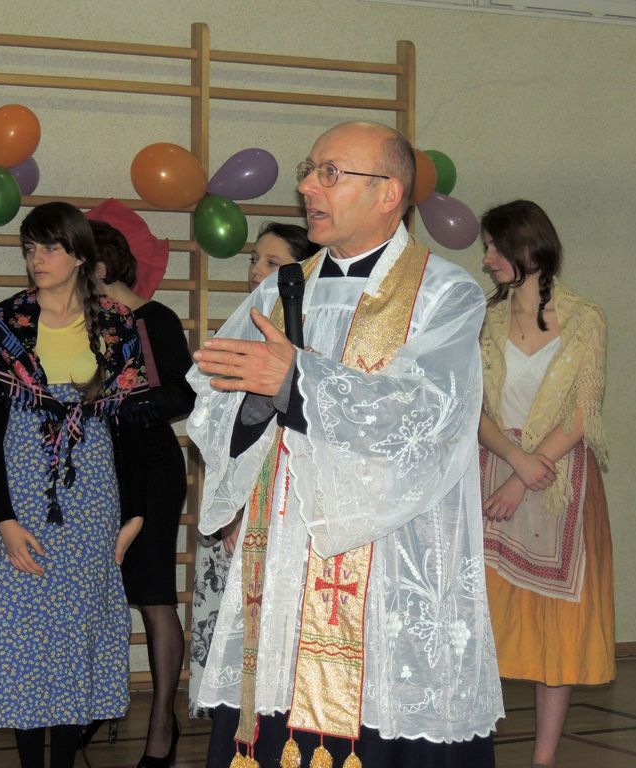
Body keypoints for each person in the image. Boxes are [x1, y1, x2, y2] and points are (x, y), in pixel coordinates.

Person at [188, 121, 502, 768]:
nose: (307, 186)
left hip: (387, 563)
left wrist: (295, 382)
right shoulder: (279, 289)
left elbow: (428, 413)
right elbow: (215, 402)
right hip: (282, 558)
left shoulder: (444, 295)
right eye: (309, 170)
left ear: (388, 193)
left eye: (329, 173)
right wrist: (254, 404)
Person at [0, 202, 147, 768]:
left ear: (80, 255)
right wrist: (5, 520)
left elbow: (133, 430)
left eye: (49, 248)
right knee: (24, 639)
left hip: (93, 501)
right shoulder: (2, 324)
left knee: (76, 637)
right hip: (24, 504)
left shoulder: (116, 324)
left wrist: (134, 513)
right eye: (29, 249)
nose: (36, 259)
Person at [477, 200, 614, 768]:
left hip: (559, 482)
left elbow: (583, 411)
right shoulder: (483, 319)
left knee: (555, 629)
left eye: (494, 247)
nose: (487, 259)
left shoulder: (585, 318)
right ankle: (473, 747)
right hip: (492, 471)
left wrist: (529, 472)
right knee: (481, 621)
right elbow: (471, 407)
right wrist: (514, 461)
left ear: (528, 249)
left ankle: (543, 759)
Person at [189, 221, 316, 718]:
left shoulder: (316, 328)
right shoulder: (246, 326)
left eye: (272, 263)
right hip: (239, 501)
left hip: (285, 502)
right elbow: (225, 432)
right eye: (254, 260)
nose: (257, 271)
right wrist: (229, 507)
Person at [90, 219, 196, 768]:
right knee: (95, 590)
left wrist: (121, 401)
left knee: (154, 595)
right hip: (99, 468)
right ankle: (92, 705)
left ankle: (161, 724)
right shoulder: (81, 323)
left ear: (99, 267)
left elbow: (183, 395)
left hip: (151, 466)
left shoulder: (156, 318)